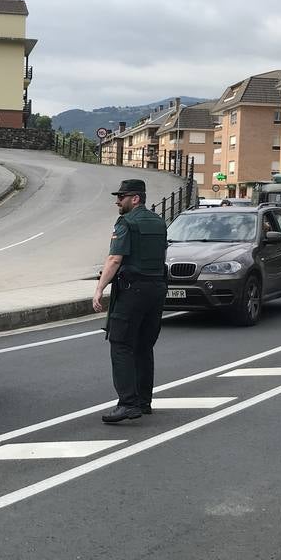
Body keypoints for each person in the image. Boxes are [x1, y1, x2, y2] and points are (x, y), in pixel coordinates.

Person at [92, 178, 168, 423]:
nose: (117, 201)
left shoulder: (126, 222)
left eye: (122, 197)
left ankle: (127, 403)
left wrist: (99, 288)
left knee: (121, 343)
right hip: (156, 289)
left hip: (133, 290)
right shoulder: (159, 222)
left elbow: (115, 259)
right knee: (144, 345)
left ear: (135, 199)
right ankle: (144, 402)